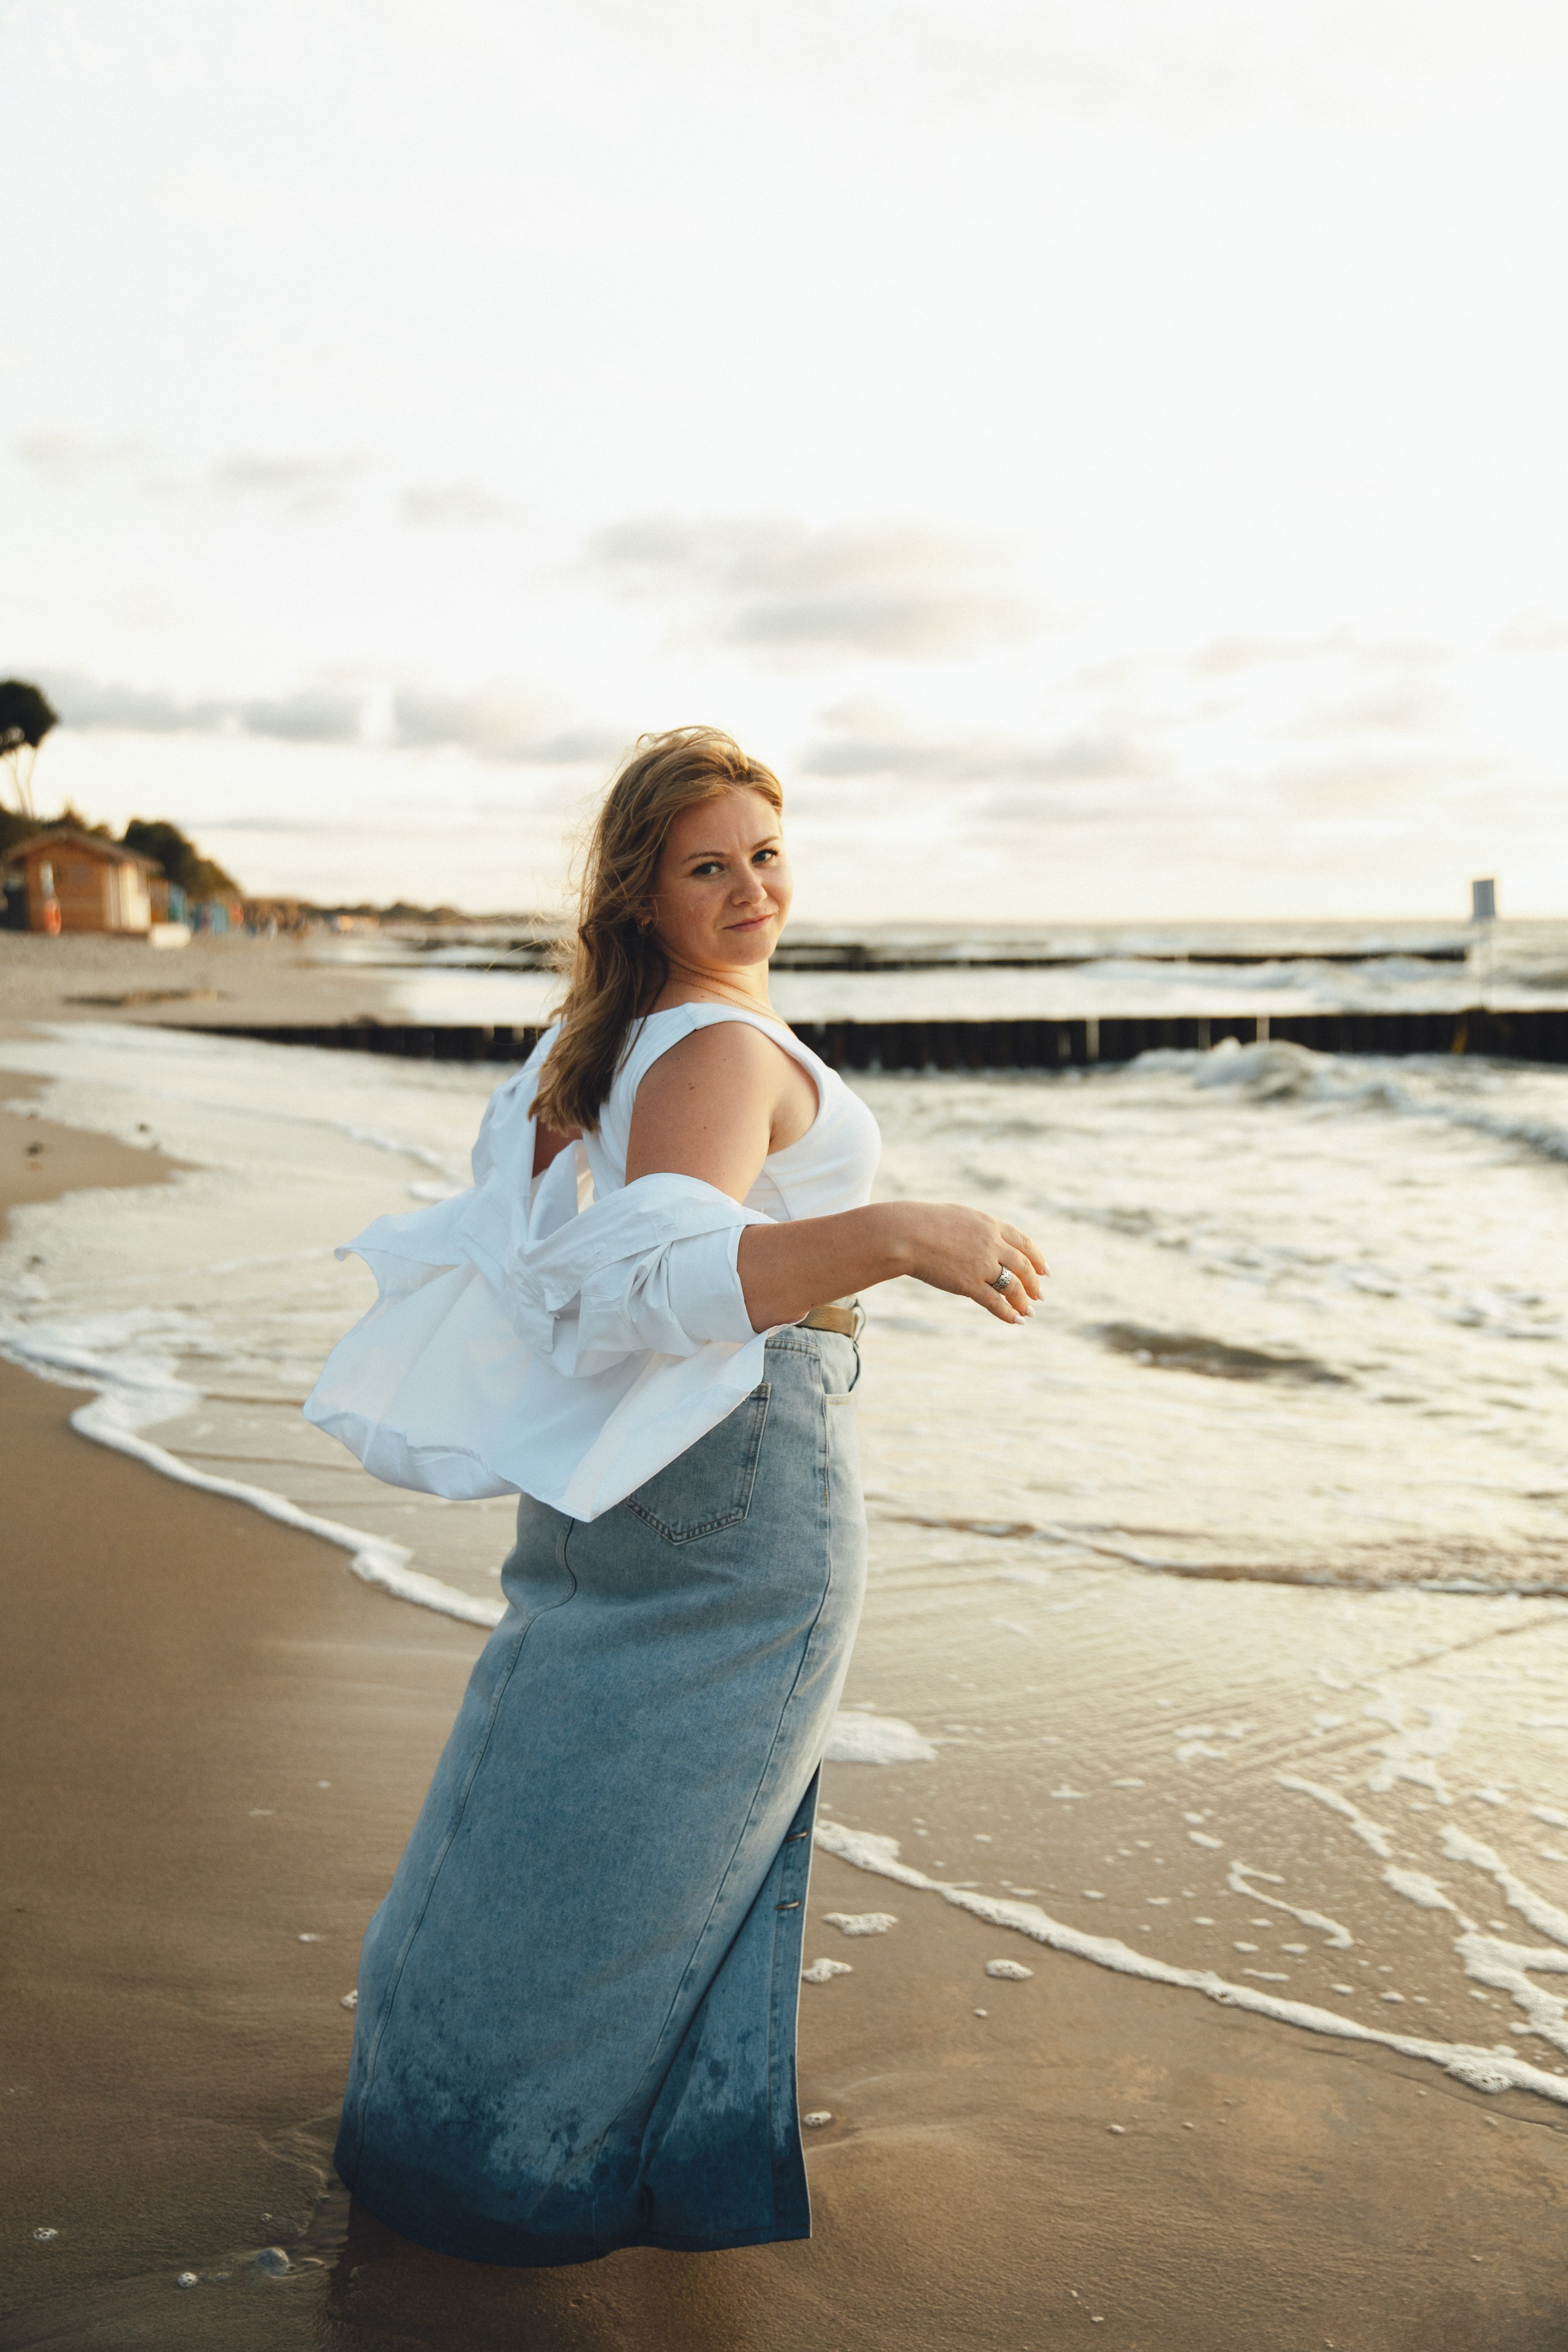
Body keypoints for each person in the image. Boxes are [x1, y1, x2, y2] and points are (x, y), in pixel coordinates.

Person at [304, 725, 1047, 2267]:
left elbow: (570, 1264)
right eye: (707, 865)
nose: (750, 889)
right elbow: (657, 1281)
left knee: (557, 1796)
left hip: (643, 1460)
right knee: (655, 1839)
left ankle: (449, 2135)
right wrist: (901, 1233)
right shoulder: (710, 1045)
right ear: (642, 891)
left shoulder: (621, 1040)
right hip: (736, 1470)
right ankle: (520, 2175)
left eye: (766, 854)